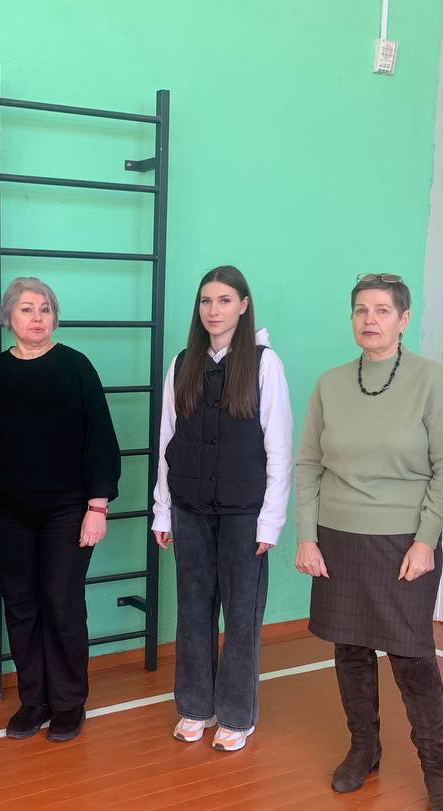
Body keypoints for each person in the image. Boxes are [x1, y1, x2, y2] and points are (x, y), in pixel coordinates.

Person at [294, 273, 443, 811]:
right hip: (338, 537)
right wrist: (306, 534)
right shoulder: (330, 383)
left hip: (403, 542)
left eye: (383, 310)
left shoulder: (430, 379)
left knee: (412, 658)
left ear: (403, 319)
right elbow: (308, 464)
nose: (370, 319)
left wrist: (426, 539)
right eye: (361, 310)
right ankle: (364, 749)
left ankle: (438, 770)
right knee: (350, 650)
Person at [0, 277, 120, 742]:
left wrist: (97, 507)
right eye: (27, 309)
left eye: (45, 309)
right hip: (7, 512)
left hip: (67, 510)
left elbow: (102, 441)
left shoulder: (76, 368)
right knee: (22, 605)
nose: (37, 317)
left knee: (62, 603)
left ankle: (68, 703)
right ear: (9, 317)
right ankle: (34, 702)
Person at [152, 265, 293, 753]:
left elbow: (279, 448)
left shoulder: (265, 364)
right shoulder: (182, 364)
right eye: (206, 301)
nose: (214, 310)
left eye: (225, 300)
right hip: (189, 511)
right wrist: (162, 511)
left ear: (244, 305)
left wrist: (270, 521)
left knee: (241, 617)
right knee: (193, 612)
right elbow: (167, 441)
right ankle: (195, 706)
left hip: (243, 515)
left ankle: (236, 714)